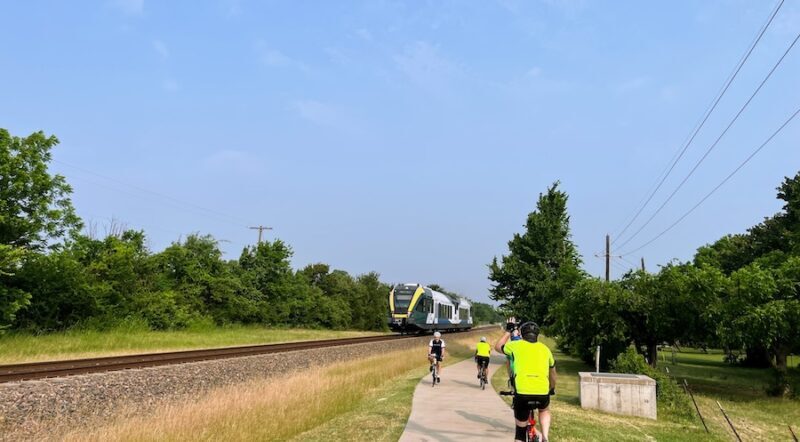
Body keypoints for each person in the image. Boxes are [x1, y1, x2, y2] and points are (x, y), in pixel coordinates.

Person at [495, 320, 556, 442]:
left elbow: (497, 347)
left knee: (520, 434)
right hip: (542, 393)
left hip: (522, 394)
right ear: (537, 335)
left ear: (522, 335)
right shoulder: (545, 349)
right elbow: (553, 373)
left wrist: (508, 331)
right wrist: (551, 388)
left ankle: (521, 437)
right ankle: (545, 436)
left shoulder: (515, 346)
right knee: (544, 410)